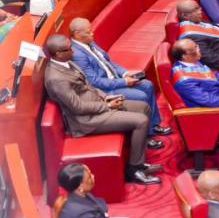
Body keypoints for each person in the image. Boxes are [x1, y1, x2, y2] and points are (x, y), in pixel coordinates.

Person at [44, 35, 160, 185]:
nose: (73, 50)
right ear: (58, 53)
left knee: (142, 107)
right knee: (141, 121)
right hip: (86, 121)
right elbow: (77, 107)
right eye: (69, 49)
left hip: (98, 104)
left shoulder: (66, 62)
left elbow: (88, 86)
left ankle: (138, 157)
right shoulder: (55, 78)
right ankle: (134, 170)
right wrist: (108, 106)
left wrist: (106, 98)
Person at [69, 18, 169, 141]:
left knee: (147, 85)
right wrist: (125, 82)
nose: (92, 34)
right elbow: (94, 81)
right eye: (89, 32)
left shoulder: (89, 42)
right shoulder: (77, 55)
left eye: (91, 31)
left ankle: (152, 126)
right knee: (140, 96)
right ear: (77, 34)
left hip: (114, 80)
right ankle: (144, 137)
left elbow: (108, 62)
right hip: (104, 91)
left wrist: (126, 73)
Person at [56, 164, 147, 218]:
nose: (93, 176)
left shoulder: (80, 195)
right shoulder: (82, 215)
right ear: (80, 186)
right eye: (89, 177)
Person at [171, 39, 219, 127]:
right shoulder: (184, 81)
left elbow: (216, 76)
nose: (199, 49)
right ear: (185, 56)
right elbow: (210, 101)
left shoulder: (193, 62)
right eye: (195, 48)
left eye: (197, 45)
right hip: (218, 113)